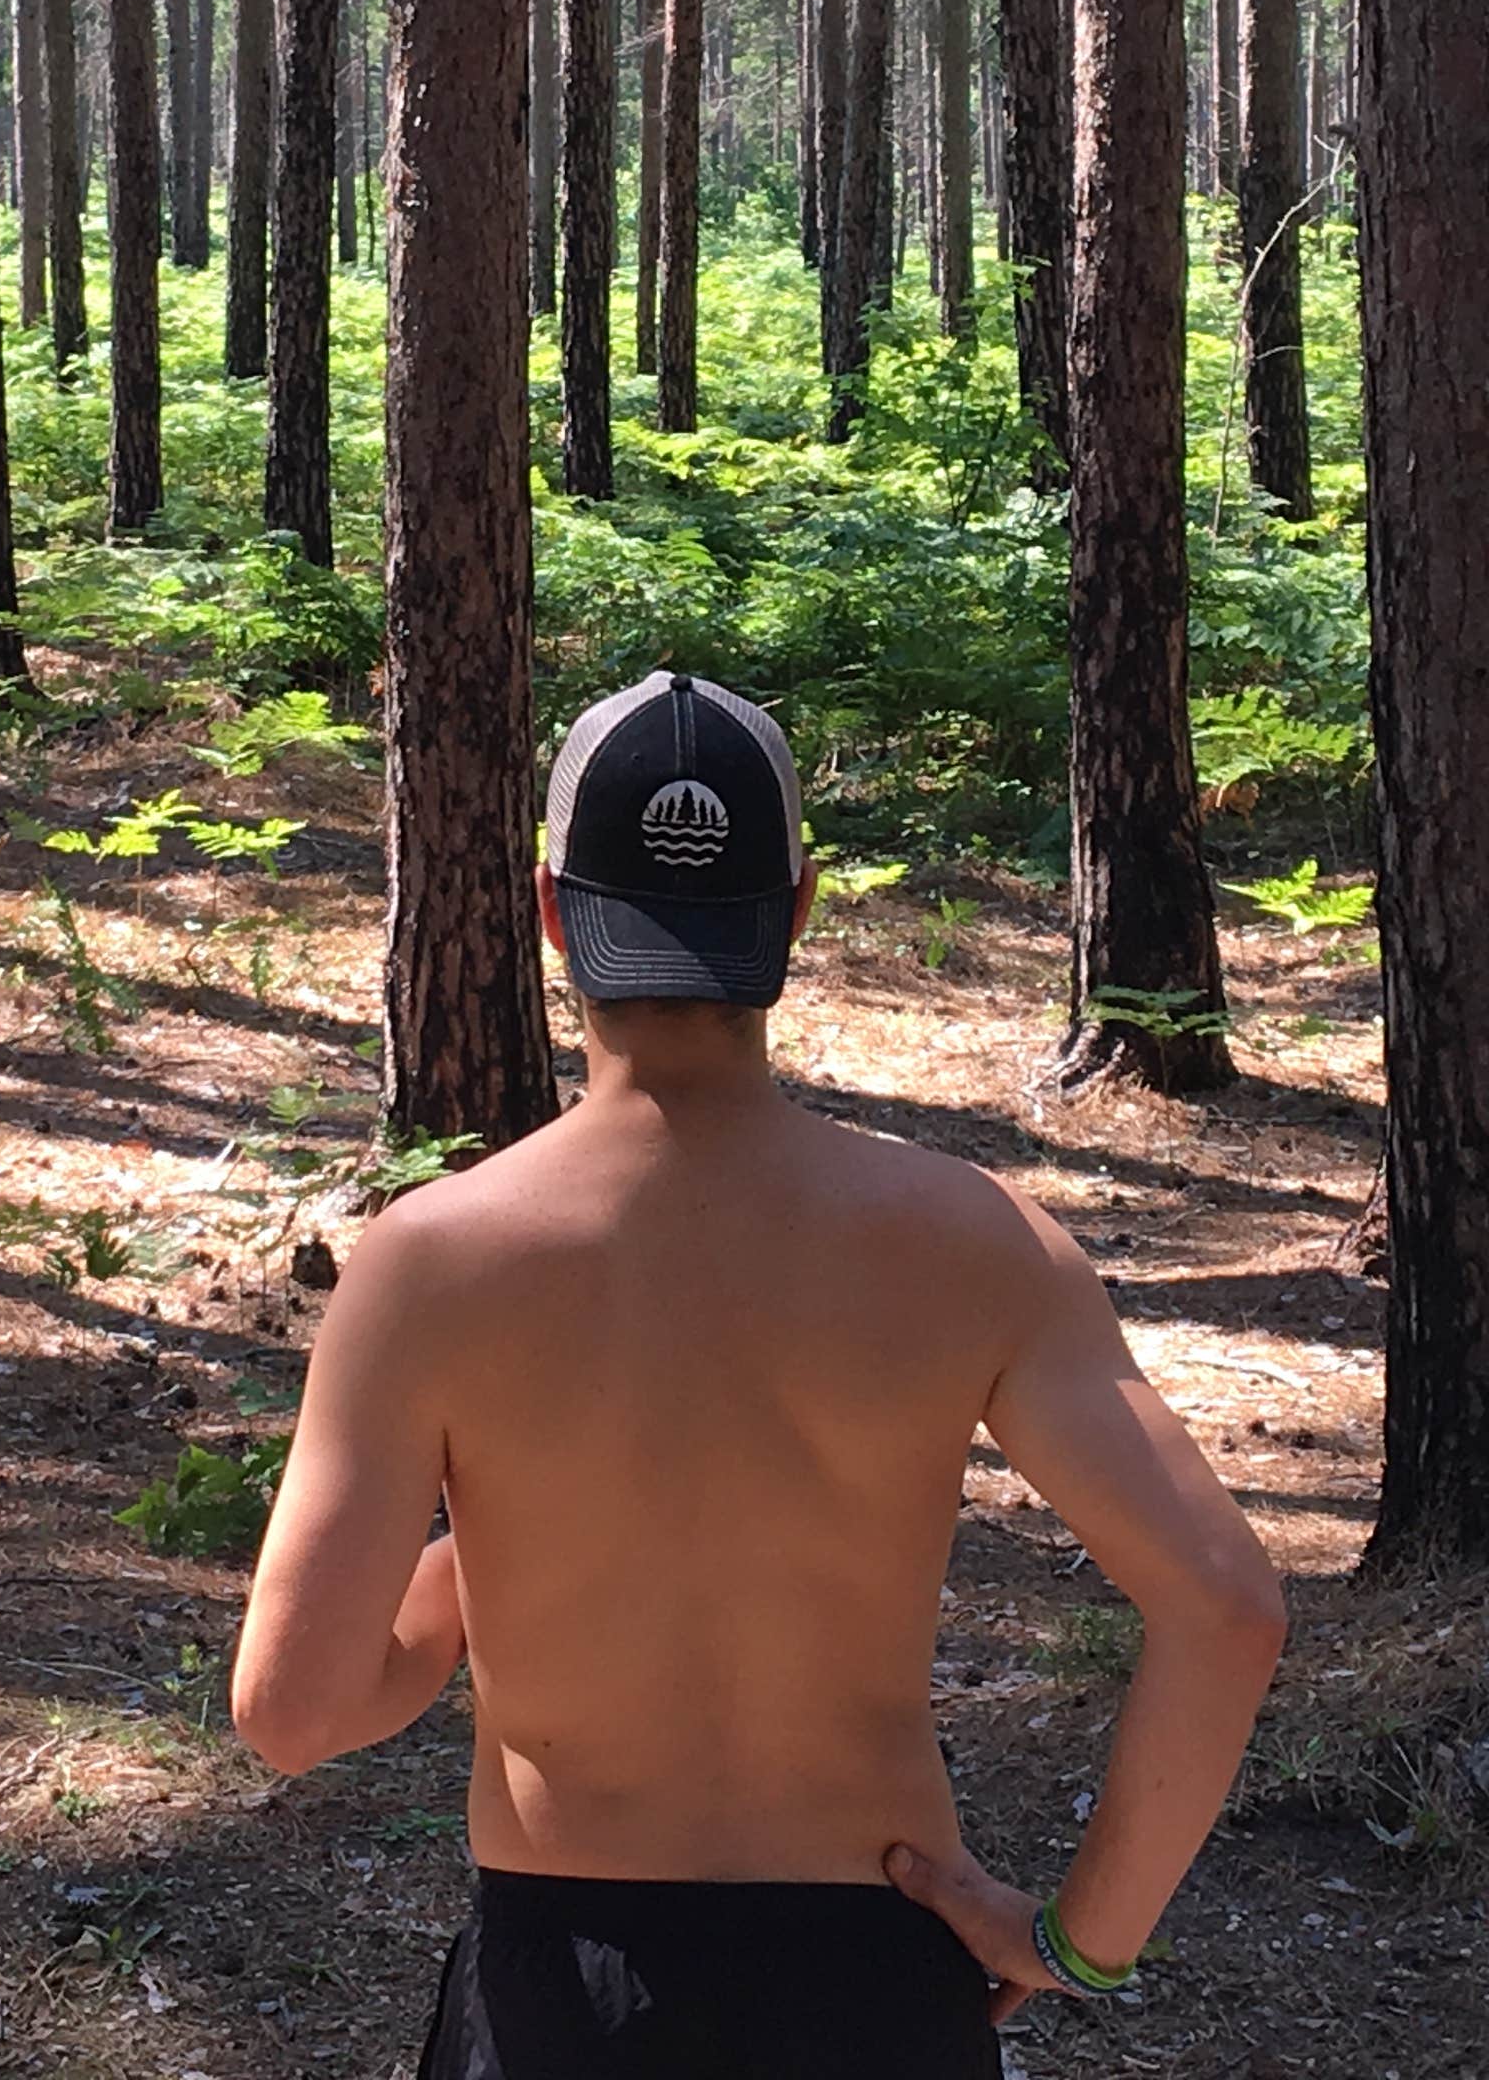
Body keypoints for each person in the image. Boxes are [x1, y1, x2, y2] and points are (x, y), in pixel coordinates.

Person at [233, 671, 1288, 2076]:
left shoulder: (432, 1263)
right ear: (795, 911)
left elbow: (295, 1716)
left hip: (566, 2001)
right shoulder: (976, 1243)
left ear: (553, 913)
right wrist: (1078, 1940)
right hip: (876, 1984)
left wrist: (454, 1593)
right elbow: (1224, 1606)